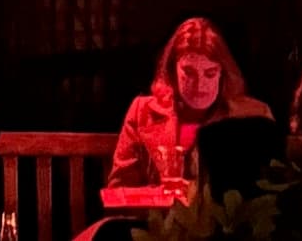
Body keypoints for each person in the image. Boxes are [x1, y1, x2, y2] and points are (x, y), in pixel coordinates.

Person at [103, 20, 270, 202]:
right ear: (173, 71)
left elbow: (267, 196)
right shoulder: (142, 111)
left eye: (210, 73)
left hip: (226, 226)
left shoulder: (253, 115)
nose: (199, 85)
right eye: (189, 73)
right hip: (157, 225)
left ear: (222, 73)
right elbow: (120, 192)